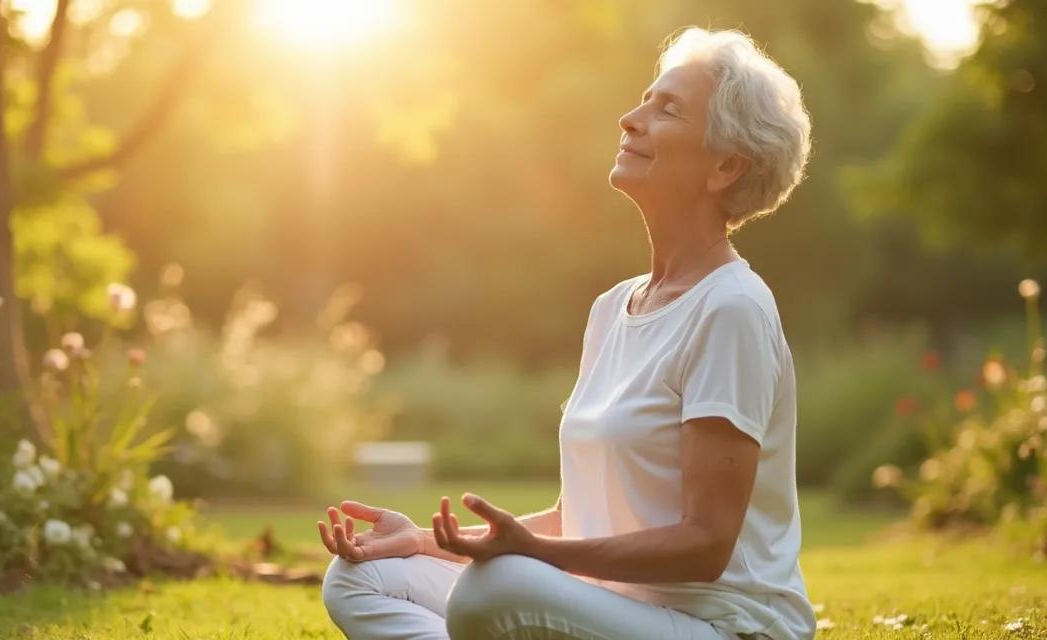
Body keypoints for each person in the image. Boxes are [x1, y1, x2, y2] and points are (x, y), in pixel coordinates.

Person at [317, 27, 816, 640]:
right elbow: (573, 518)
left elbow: (706, 545)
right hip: (612, 608)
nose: (630, 119)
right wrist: (420, 540)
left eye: (668, 109)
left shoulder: (732, 310)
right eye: (644, 100)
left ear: (726, 166)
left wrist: (535, 557)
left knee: (495, 590)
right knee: (360, 578)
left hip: (720, 626)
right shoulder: (612, 309)